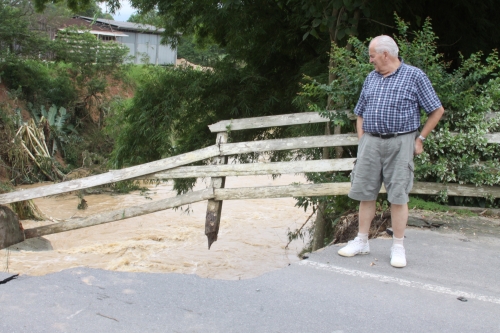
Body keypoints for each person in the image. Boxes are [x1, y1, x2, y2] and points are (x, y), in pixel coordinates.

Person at [338, 35, 444, 268]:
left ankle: (398, 246)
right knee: (366, 193)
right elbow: (361, 112)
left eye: (372, 55)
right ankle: (362, 241)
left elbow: (436, 110)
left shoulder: (415, 76)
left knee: (398, 195)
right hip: (371, 143)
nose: (370, 60)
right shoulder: (371, 78)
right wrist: (362, 140)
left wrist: (421, 139)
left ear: (385, 54)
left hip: (401, 142)